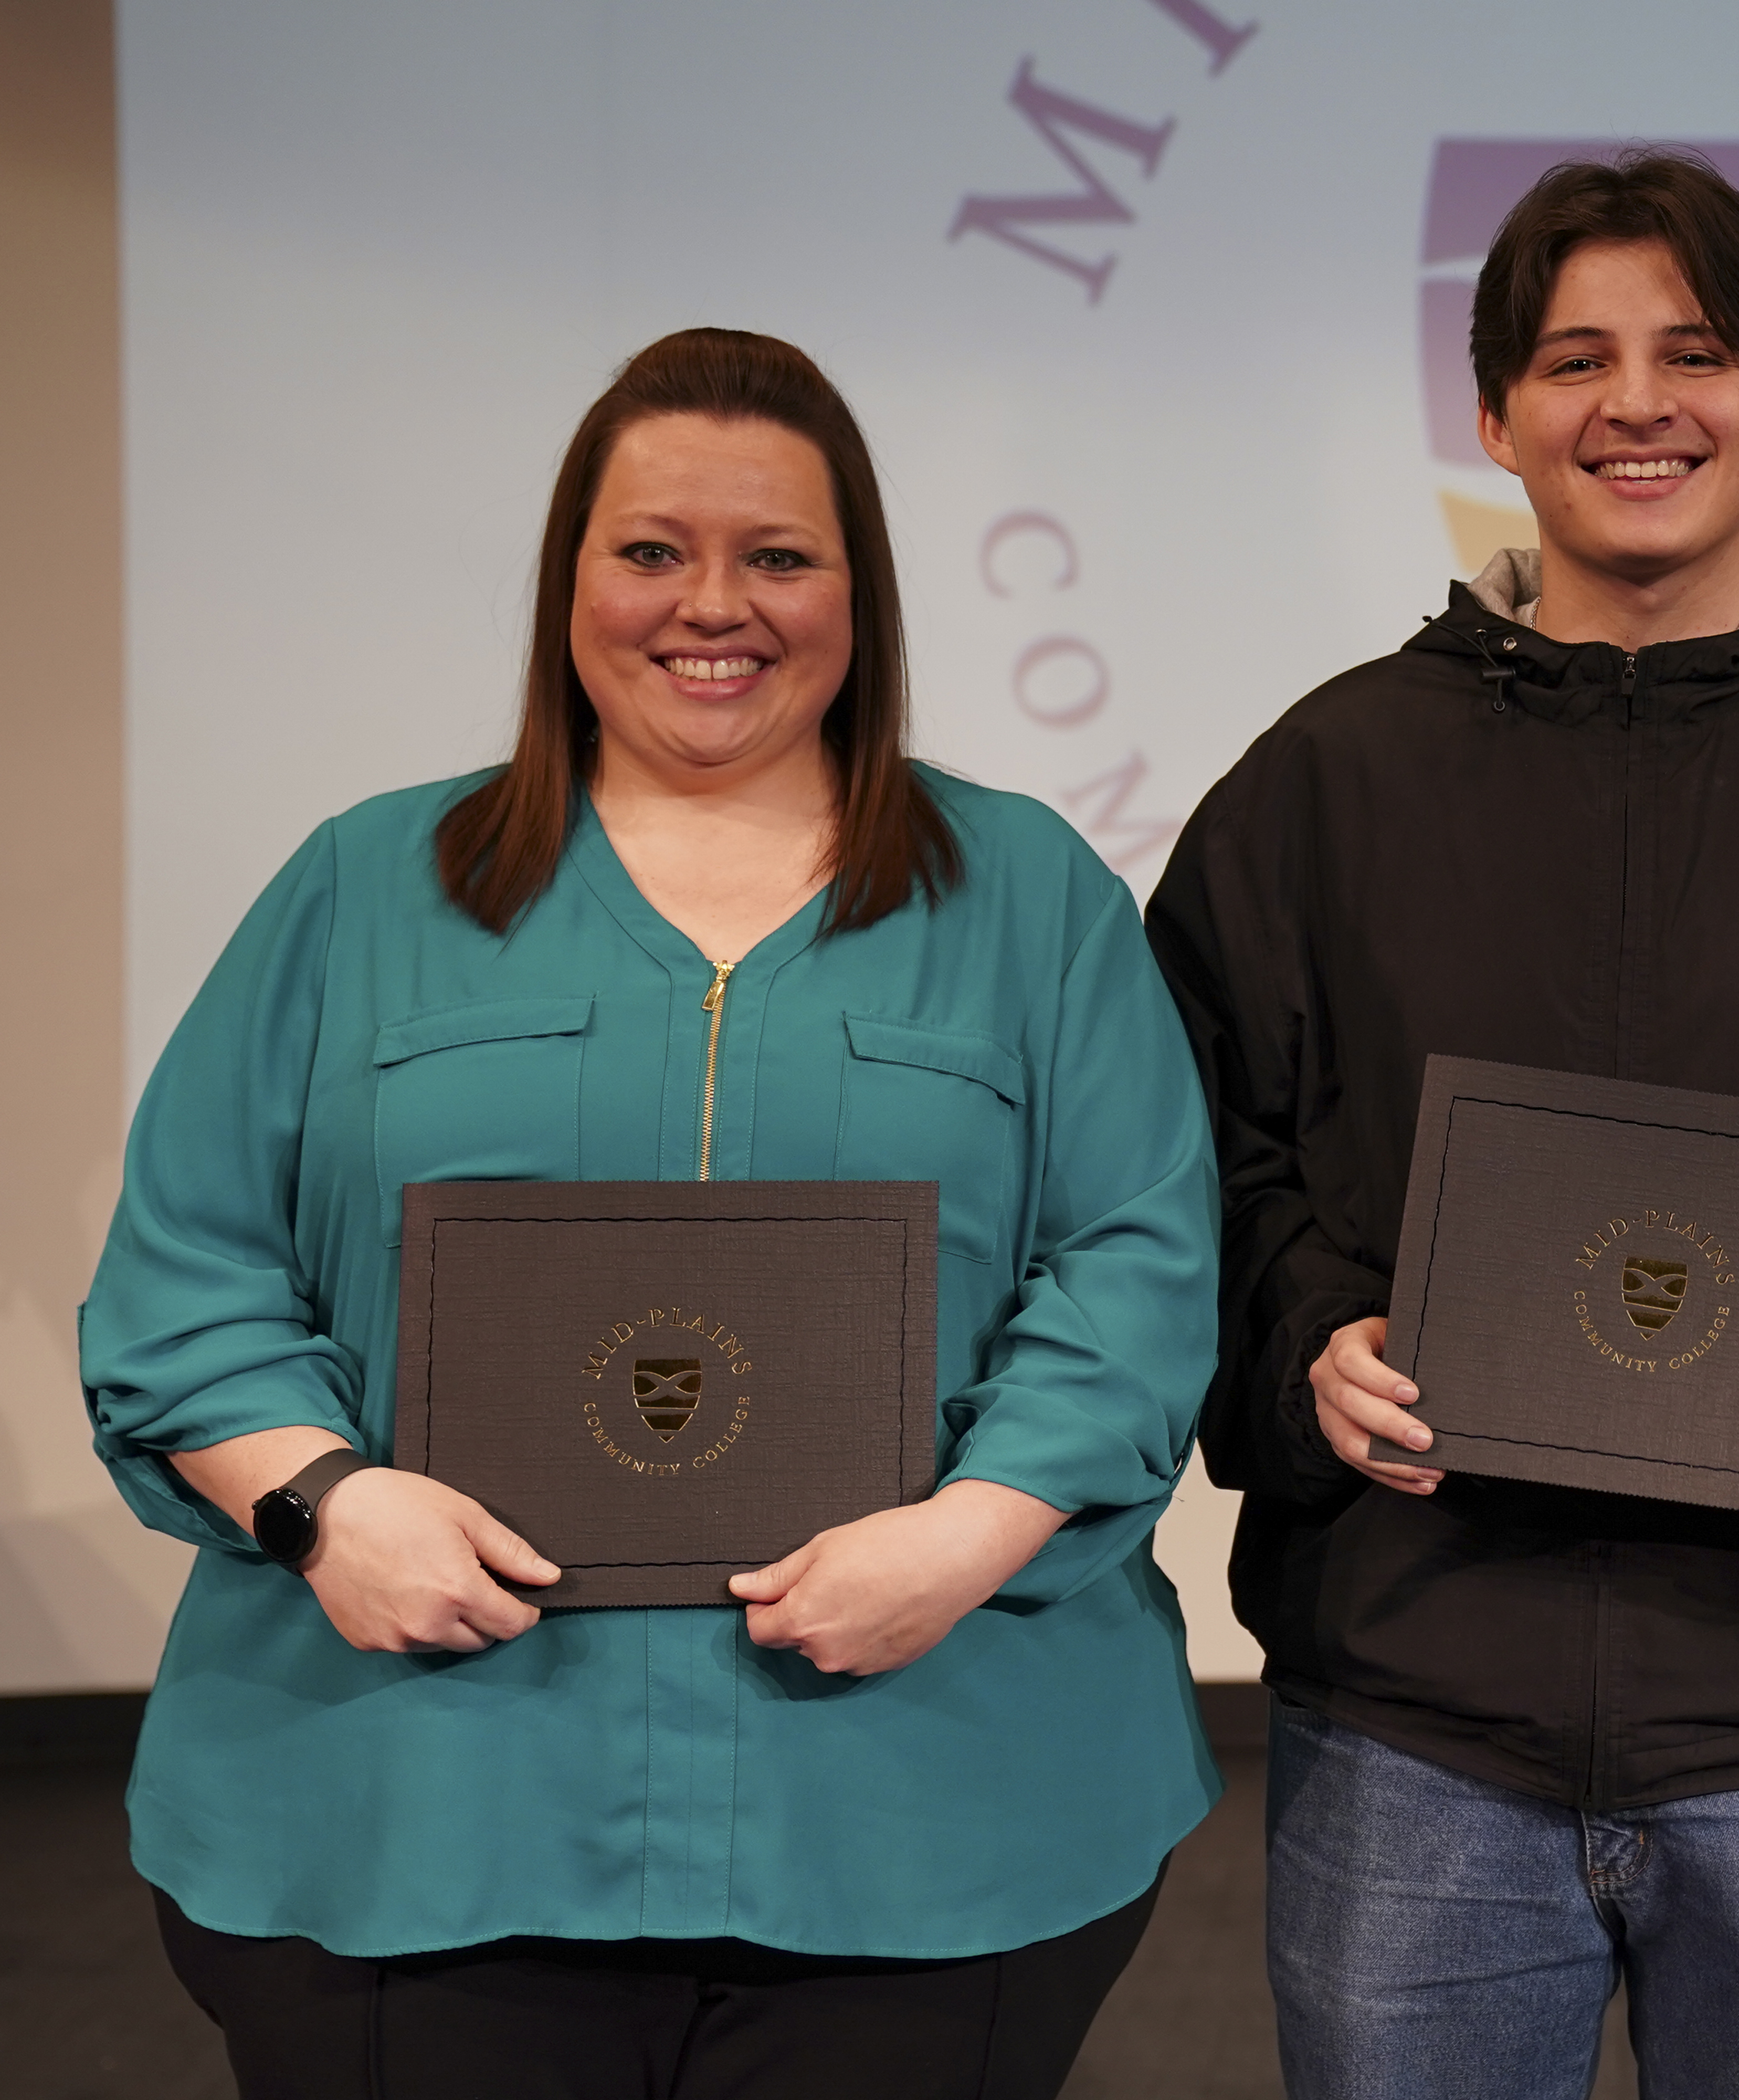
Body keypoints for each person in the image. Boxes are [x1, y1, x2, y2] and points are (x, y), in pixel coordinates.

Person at [81, 329, 1222, 2098]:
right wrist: (322, 1506)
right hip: (418, 1810)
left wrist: (968, 1535)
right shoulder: (361, 886)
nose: (715, 606)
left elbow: (1137, 1270)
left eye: (779, 556)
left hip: (926, 1809)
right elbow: (188, 1274)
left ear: (862, 597)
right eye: (650, 552)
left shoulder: (1033, 901)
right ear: (570, 585)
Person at [1145, 150, 1739, 2100]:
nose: (1639, 404)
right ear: (1496, 417)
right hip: (1421, 1710)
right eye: (1575, 360)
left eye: (1697, 354)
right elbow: (1186, 1167)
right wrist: (1304, 1341)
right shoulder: (1323, 782)